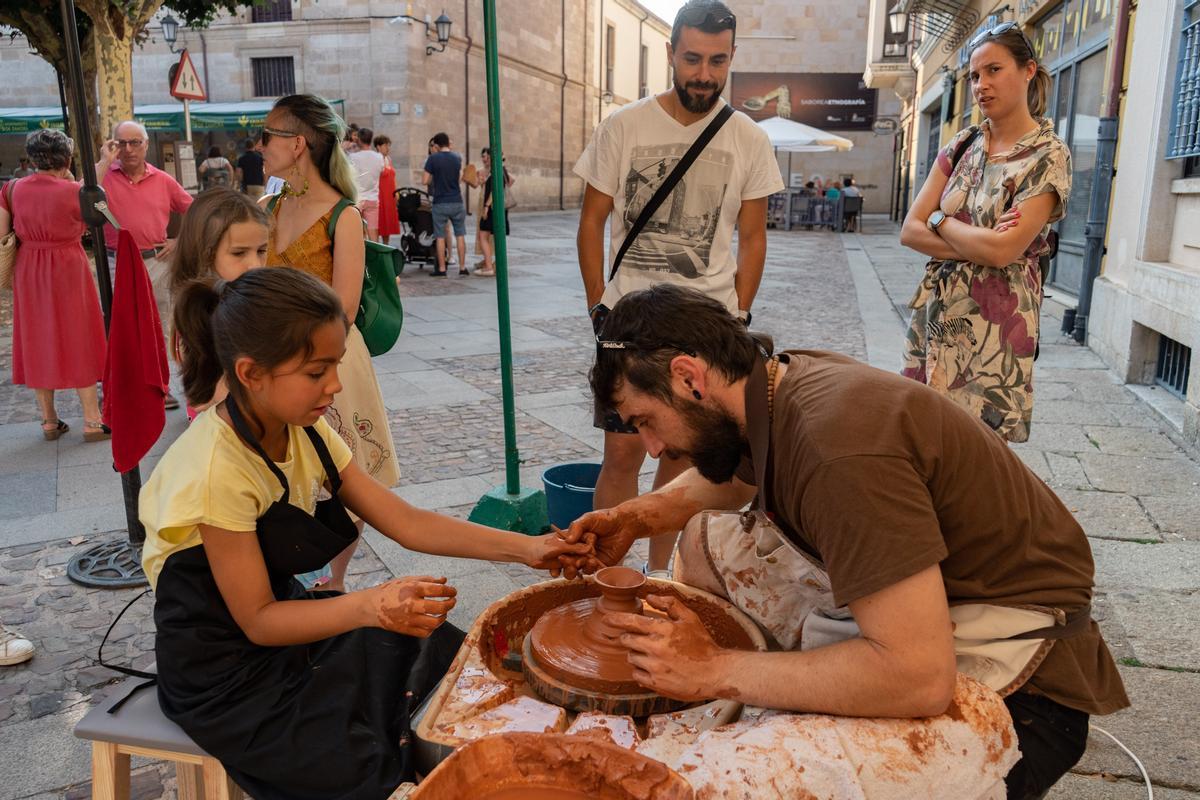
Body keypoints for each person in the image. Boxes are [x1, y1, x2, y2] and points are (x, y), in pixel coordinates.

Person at [565, 283, 1129, 800]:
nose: (653, 450)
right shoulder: (770, 381)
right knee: (701, 544)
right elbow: (737, 473)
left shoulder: (837, 449)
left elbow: (920, 675)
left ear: (690, 377)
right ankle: (791, 678)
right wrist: (638, 517)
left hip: (1026, 682)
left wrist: (713, 668)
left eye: (645, 421)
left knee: (730, 779)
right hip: (936, 600)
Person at [141, 267, 584, 798]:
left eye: (336, 365)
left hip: (288, 629)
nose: (334, 385)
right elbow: (258, 621)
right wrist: (373, 605)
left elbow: (405, 522)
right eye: (316, 371)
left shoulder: (308, 431)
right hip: (225, 675)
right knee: (365, 765)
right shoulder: (217, 468)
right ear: (252, 373)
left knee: (449, 663)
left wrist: (532, 549)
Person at [574, 0, 782, 575]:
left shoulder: (748, 139)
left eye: (718, 61)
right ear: (670, 54)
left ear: (732, 57)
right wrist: (598, 304)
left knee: (685, 458)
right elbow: (592, 222)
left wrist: (737, 315)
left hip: (701, 328)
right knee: (621, 453)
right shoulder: (624, 126)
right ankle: (606, 573)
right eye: (692, 58)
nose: (704, 74)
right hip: (628, 325)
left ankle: (664, 577)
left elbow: (753, 235)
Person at [900, 23, 1070, 443]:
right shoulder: (962, 144)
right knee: (929, 433)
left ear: (1028, 70)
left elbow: (1002, 253)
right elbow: (909, 230)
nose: (981, 85)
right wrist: (977, 240)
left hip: (999, 319)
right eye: (975, 76)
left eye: (994, 70)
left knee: (980, 447)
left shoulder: (1048, 155)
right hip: (941, 311)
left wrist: (941, 220)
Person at [259, 93, 401, 592]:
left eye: (267, 135)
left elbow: (342, 305)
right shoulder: (269, 204)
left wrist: (297, 354)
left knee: (343, 476)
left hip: (328, 360)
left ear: (297, 144)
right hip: (273, 362)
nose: (259, 146)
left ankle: (334, 580)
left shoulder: (343, 215)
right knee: (278, 472)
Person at [0, 129, 109, 443]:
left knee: (37, 337)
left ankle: (49, 421)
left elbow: (3, 232)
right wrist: (103, 162)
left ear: (33, 158)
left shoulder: (12, 188)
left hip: (29, 268)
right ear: (67, 157)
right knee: (79, 336)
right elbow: (95, 209)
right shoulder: (73, 191)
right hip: (67, 265)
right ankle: (92, 420)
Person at [96, 119, 194, 411]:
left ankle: (160, 387)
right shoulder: (103, 177)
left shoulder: (163, 180)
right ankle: (115, 389)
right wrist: (103, 161)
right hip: (116, 264)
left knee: (158, 327)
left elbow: (196, 209)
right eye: (121, 143)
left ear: (146, 145)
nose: (128, 149)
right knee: (116, 327)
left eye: (134, 142)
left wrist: (179, 240)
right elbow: (78, 198)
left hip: (157, 262)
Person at [423, 132, 469, 276]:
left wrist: (434, 176)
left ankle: (442, 269)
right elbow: (460, 177)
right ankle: (462, 268)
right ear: (448, 143)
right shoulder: (457, 158)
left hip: (440, 202)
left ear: (436, 145)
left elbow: (425, 180)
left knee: (440, 236)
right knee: (460, 235)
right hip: (457, 201)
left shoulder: (433, 159)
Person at [464, 147, 512, 277]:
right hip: (493, 207)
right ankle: (491, 263)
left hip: (491, 207)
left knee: (485, 236)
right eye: (484, 157)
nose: (485, 159)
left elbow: (496, 190)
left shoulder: (497, 171)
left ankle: (489, 266)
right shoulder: (497, 170)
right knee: (489, 236)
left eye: (488, 157)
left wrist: (486, 206)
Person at [349, 127, 385, 242]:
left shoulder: (353, 157)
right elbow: (382, 171)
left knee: (358, 233)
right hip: (373, 198)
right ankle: (375, 259)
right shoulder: (379, 157)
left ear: (359, 140)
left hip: (357, 199)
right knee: (373, 233)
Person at [374, 135, 400, 244]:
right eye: (385, 145)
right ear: (378, 147)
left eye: (388, 145)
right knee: (379, 223)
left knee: (388, 224)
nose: (388, 148)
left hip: (389, 196)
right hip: (380, 196)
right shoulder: (375, 159)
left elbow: (393, 177)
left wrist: (397, 191)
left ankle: (386, 246)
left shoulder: (388, 159)